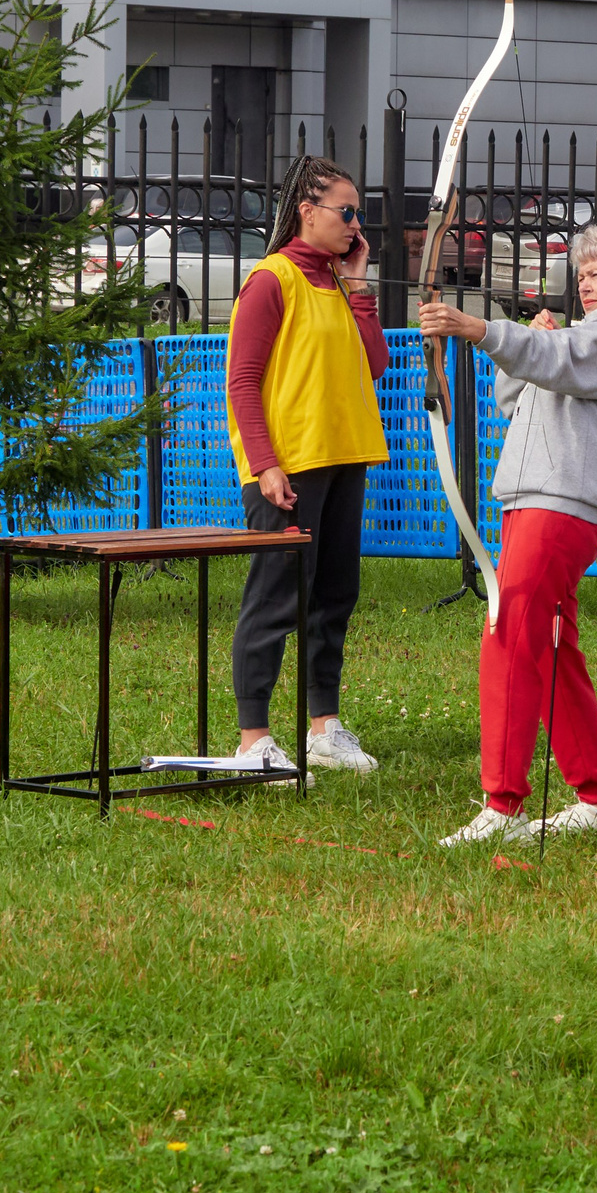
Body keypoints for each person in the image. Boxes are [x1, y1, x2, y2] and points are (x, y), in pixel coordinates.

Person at [418, 219, 597, 845]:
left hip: (561, 505)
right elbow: (516, 396)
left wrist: (482, 330)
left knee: (508, 633)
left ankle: (502, 806)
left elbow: (559, 362)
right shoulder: (583, 335)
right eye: (580, 274)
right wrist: (524, 342)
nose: (583, 284)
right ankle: (596, 799)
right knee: (552, 646)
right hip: (536, 499)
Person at [225, 154, 392, 778]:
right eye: (346, 213)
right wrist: (265, 465)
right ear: (307, 211)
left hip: (347, 455)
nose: (355, 224)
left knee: (333, 595)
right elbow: (242, 381)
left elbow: (375, 363)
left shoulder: (339, 284)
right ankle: (254, 739)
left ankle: (324, 726)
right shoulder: (272, 279)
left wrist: (360, 287)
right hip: (290, 467)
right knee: (275, 597)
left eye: (359, 214)